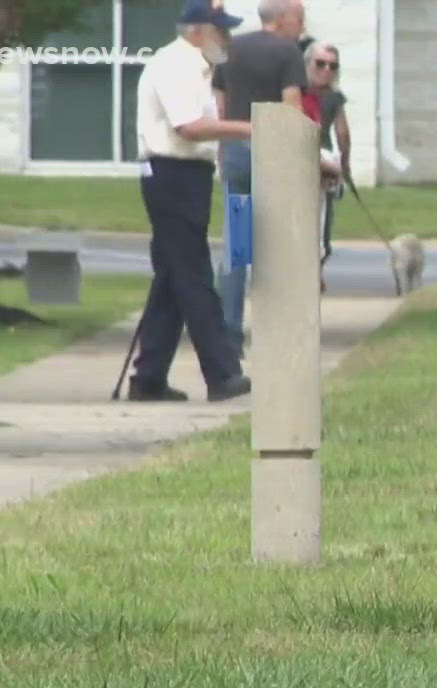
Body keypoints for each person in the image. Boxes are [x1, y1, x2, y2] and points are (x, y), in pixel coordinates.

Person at [126, 0, 253, 403]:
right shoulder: (176, 65)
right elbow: (189, 127)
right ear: (198, 31)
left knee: (172, 278)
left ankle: (148, 378)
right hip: (171, 173)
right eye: (222, 31)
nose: (227, 38)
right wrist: (251, 128)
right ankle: (222, 373)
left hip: (187, 176)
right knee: (194, 275)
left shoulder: (197, 68)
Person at [211, 0, 332, 359]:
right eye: (299, 19)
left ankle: (229, 337)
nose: (302, 26)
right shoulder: (287, 52)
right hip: (274, 155)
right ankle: (276, 334)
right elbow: (291, 107)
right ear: (281, 20)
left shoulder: (228, 50)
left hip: (235, 153)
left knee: (237, 246)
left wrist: (223, 149)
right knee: (278, 245)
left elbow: (219, 104)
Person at [303, 41, 351, 277]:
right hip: (306, 160)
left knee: (322, 218)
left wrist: (344, 165)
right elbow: (342, 133)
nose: (326, 70)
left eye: (333, 66)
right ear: (307, 64)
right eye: (320, 63)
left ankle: (313, 271)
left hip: (324, 161)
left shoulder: (334, 97)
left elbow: (343, 134)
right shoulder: (297, 92)